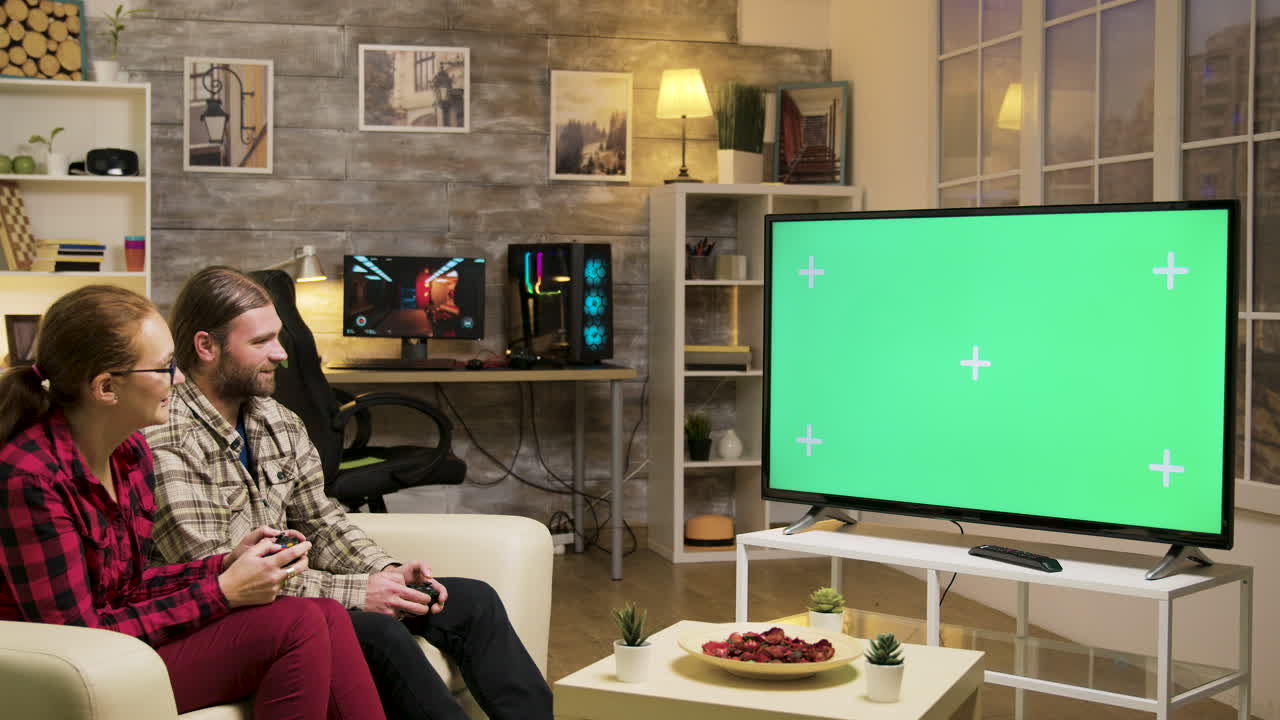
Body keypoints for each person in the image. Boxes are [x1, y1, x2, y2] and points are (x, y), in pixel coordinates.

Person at [145, 267, 553, 720]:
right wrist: (360, 592)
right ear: (206, 347)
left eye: (278, 337)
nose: (281, 353)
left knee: (474, 601)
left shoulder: (277, 420)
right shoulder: (167, 438)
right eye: (261, 342)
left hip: (298, 593)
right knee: (378, 632)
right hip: (236, 616)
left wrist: (387, 572)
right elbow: (226, 573)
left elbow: (321, 522)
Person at [0, 285, 386, 720]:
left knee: (326, 614)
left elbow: (125, 589)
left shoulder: (130, 455)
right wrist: (222, 593)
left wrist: (222, 566)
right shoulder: (30, 479)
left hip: (112, 647)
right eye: (165, 367)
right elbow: (79, 635)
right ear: (106, 387)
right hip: (66, 673)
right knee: (297, 624)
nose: (180, 378)